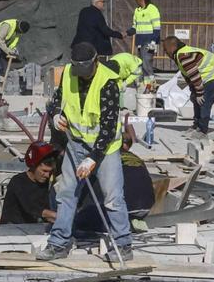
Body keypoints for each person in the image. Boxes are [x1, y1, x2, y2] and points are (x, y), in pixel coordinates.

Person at [37, 42, 132, 262]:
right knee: (66, 193)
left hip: (105, 149)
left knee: (112, 197)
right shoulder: (70, 73)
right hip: (76, 143)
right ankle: (58, 243)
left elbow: (108, 130)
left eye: (85, 71)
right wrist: (56, 116)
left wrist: (92, 159)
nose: (82, 75)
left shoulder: (108, 83)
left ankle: (123, 244)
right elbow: (57, 101)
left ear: (95, 62)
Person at [75, 133, 155, 234]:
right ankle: (130, 221)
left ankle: (112, 226)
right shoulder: (136, 157)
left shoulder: (107, 158)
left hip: (123, 207)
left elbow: (87, 185)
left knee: (80, 221)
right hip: (146, 207)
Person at [163, 36, 214, 139]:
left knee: (204, 101)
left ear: (171, 48)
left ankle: (202, 130)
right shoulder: (179, 54)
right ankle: (196, 125)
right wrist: (193, 89)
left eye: (166, 50)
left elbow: (194, 75)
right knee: (195, 98)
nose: (165, 53)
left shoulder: (183, 56)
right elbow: (187, 74)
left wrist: (200, 92)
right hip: (208, 75)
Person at [0, 141, 58, 224]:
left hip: (33, 229)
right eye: (44, 171)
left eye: (50, 172)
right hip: (12, 230)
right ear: (33, 166)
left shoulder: (44, 183)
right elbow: (32, 208)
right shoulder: (18, 182)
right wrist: (60, 216)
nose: (47, 175)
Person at [127, 0, 161, 83]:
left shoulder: (152, 9)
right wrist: (126, 33)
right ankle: (145, 85)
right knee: (141, 64)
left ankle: (151, 84)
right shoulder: (137, 10)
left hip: (149, 42)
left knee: (147, 64)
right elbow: (135, 27)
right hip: (140, 42)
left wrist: (153, 42)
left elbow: (157, 27)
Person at [0, 19, 30, 90]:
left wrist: (13, 50)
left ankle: (6, 82)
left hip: (3, 44)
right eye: (20, 32)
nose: (19, 33)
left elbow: (14, 41)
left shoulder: (18, 30)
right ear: (18, 27)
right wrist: (7, 50)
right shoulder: (7, 25)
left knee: (4, 64)